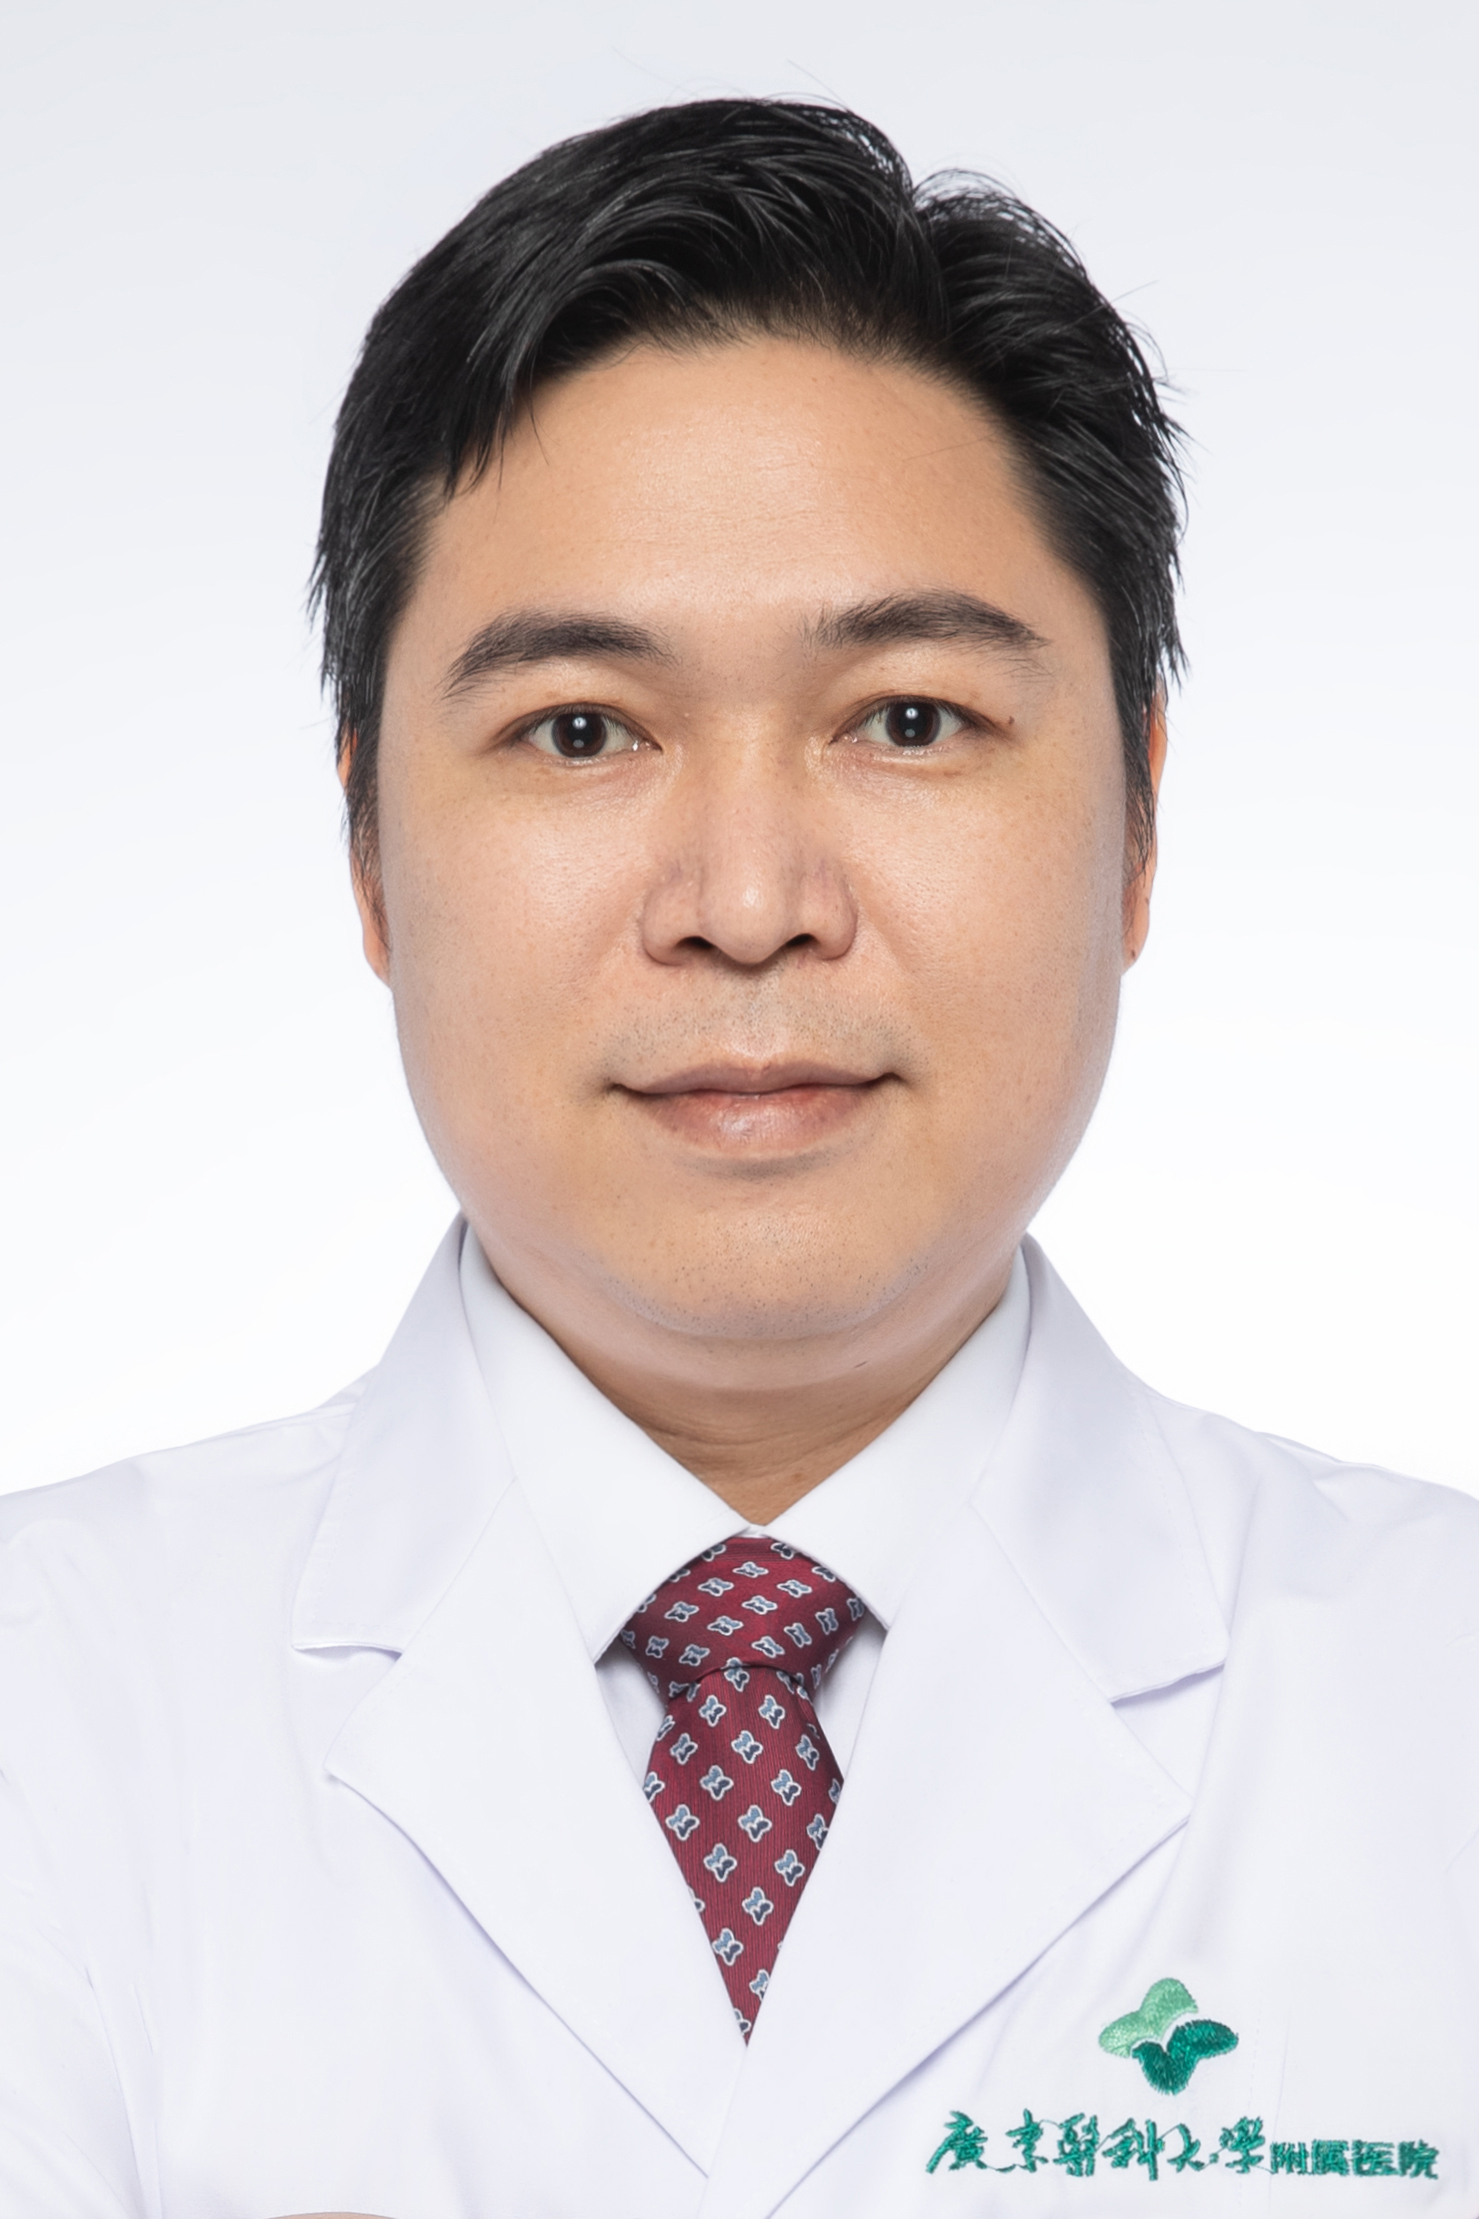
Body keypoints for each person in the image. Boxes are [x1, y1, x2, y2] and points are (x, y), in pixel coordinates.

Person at [0, 95, 1473, 2219]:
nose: (751, 901)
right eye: (581, 730)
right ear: (370, 854)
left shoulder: (1439, 1702)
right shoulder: (49, 1711)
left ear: (1138, 825)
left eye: (907, 719)